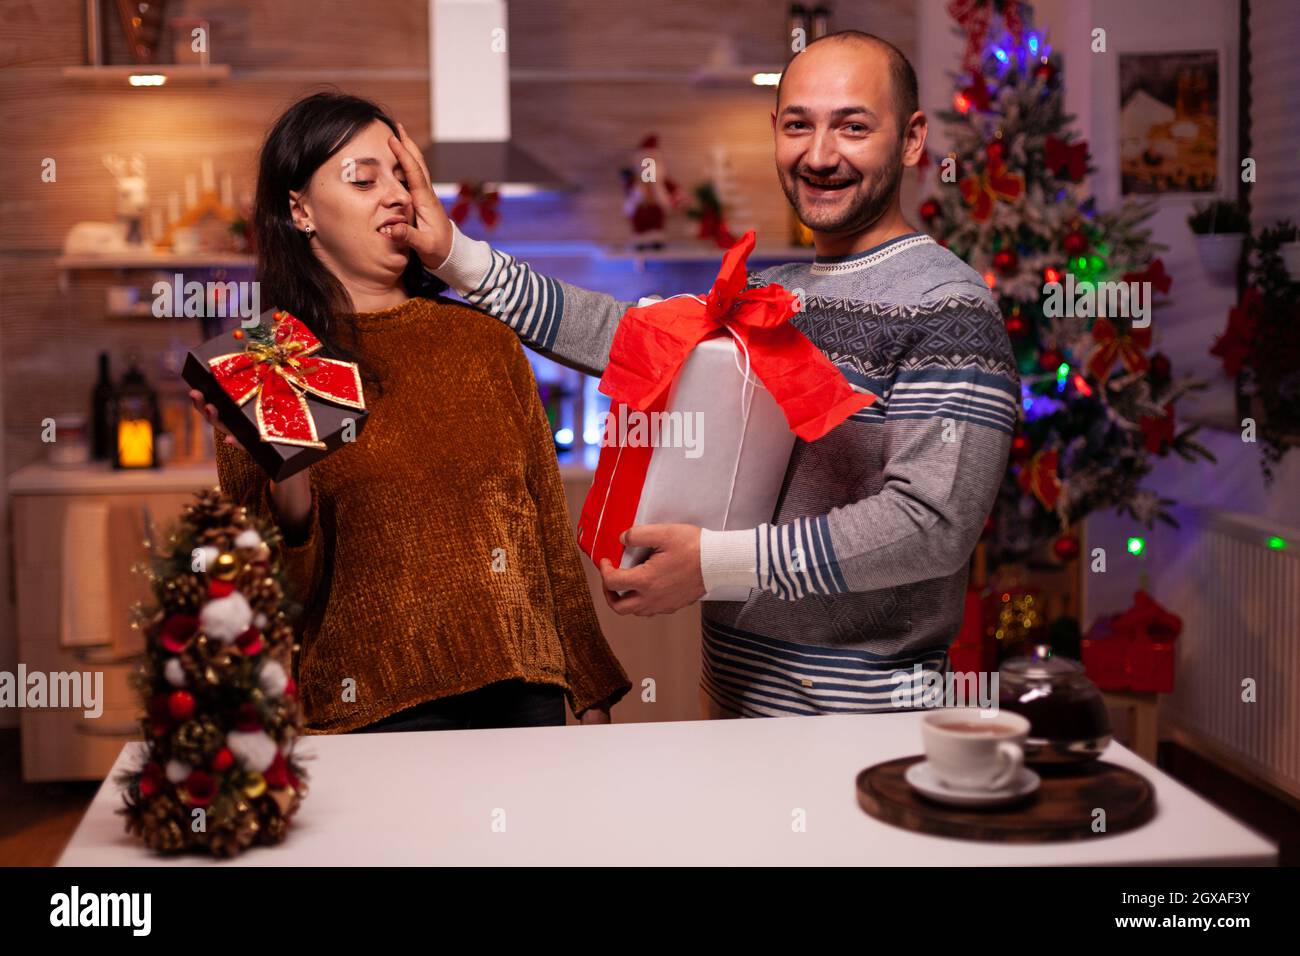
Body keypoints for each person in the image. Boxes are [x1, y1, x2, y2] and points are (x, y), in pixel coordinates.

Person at [385, 31, 1019, 718]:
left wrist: (714, 564)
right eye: (799, 125)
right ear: (775, 131)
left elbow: (931, 525)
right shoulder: (772, 292)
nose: (820, 154)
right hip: (729, 696)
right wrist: (456, 257)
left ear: (913, 139)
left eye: (854, 126)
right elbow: (619, 335)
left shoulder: (950, 306)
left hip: (859, 720)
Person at [192, 92, 630, 733]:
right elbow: (271, 599)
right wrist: (288, 466)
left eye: (402, 176)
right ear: (300, 210)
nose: (395, 195)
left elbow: (544, 535)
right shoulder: (274, 358)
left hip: (522, 698)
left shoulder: (483, 339)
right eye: (364, 179)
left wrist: (591, 690)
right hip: (368, 715)